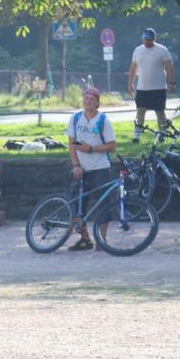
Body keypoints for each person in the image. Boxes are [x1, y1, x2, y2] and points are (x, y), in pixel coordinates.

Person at [66, 88, 116, 251]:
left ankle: (102, 239)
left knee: (104, 205)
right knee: (76, 205)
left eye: (92, 99)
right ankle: (85, 239)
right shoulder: (75, 118)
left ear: (97, 102)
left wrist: (90, 149)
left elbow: (111, 146)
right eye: (86, 99)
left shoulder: (103, 121)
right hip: (81, 169)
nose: (88, 102)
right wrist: (75, 165)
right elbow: (72, 143)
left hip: (100, 168)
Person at [128, 28, 175, 143]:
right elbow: (133, 68)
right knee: (140, 111)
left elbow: (169, 67)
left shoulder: (162, 50)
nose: (146, 41)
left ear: (154, 39)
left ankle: (162, 134)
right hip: (142, 87)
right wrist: (130, 83)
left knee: (160, 112)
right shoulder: (138, 50)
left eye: (149, 39)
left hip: (158, 87)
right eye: (145, 39)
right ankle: (137, 135)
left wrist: (172, 83)